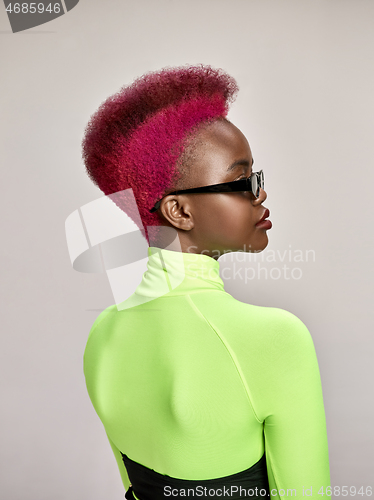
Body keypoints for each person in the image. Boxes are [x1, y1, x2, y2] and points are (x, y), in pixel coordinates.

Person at [82, 64, 331, 499]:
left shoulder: (103, 333)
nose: (260, 193)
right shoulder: (275, 337)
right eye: (240, 180)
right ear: (179, 212)